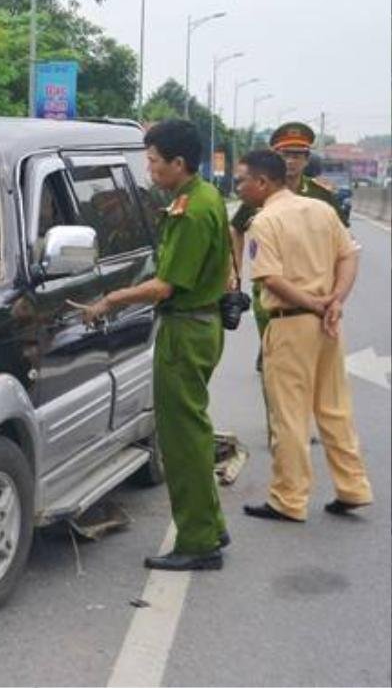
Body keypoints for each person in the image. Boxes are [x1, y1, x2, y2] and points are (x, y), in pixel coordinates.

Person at [75, 119, 229, 571]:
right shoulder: (204, 196)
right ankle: (210, 523)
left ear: (178, 163)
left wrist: (110, 300)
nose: (149, 170)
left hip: (185, 330)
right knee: (194, 432)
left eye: (154, 162)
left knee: (182, 440)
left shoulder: (191, 212)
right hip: (200, 325)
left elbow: (164, 286)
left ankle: (199, 543)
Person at [235, 150, 372, 523]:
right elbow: (349, 256)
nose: (238, 187)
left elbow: (271, 279)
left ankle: (289, 499)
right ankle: (353, 487)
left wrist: (314, 304)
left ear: (262, 183)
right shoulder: (321, 210)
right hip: (327, 323)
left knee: (290, 416)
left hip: (291, 323)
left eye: (241, 180)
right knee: (334, 407)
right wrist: (334, 302)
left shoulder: (264, 222)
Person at [230, 121, 348, 371]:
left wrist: (337, 292)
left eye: (298, 155)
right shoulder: (259, 192)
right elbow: (236, 230)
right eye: (285, 155)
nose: (291, 162)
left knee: (313, 365)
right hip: (272, 289)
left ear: (307, 160)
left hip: (315, 288)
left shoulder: (322, 196)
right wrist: (235, 274)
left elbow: (343, 246)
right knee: (277, 364)